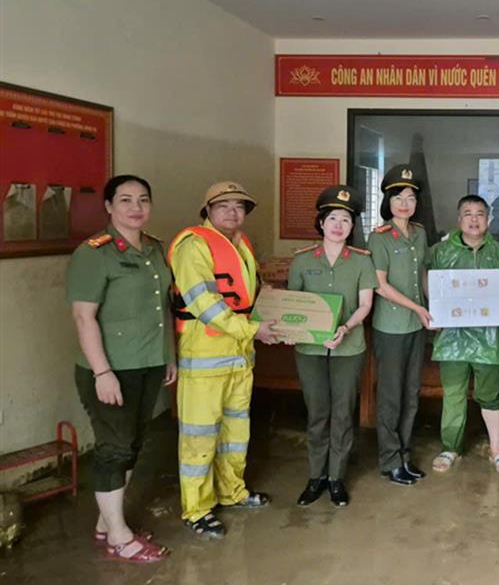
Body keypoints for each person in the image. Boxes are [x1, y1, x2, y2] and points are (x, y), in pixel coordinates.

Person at [68, 175, 175, 563]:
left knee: (131, 445)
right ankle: (118, 536)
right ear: (109, 207)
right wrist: (102, 372)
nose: (136, 208)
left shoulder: (156, 250)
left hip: (148, 363)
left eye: (143, 200)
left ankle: (105, 524)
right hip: (112, 369)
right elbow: (83, 318)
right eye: (126, 200)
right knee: (114, 450)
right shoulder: (93, 253)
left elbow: (162, 308)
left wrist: (170, 356)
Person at [168, 181, 279, 538]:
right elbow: (204, 303)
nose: (233, 212)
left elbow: (251, 292)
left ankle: (232, 492)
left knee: (235, 430)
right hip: (206, 353)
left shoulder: (241, 244)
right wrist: (252, 331)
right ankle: (197, 509)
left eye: (240, 206)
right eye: (224, 206)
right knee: (200, 435)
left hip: (238, 355)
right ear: (208, 210)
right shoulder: (193, 245)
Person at [287, 185, 378, 506]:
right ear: (321, 223)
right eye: (333, 218)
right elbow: (293, 305)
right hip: (310, 349)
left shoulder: (361, 262)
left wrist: (345, 326)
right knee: (317, 412)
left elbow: (365, 305)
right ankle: (316, 476)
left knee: (342, 412)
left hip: (349, 346)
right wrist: (297, 329)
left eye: (346, 220)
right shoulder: (301, 261)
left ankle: (337, 476)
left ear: (352, 227)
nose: (339, 225)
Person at [428, 195, 499, 474]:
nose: (474, 219)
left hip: (490, 337)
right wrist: (435, 310)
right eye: (468, 213)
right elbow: (427, 281)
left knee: (490, 394)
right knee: (453, 393)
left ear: (488, 219)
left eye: (479, 214)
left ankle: (496, 448)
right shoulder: (440, 251)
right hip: (452, 338)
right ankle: (450, 447)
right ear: (458, 219)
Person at [367, 165, 431, 486]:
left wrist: (434, 307)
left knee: (412, 392)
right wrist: (417, 307)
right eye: (398, 197)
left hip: (416, 327)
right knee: (391, 395)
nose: (404, 203)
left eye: (410, 197)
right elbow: (381, 285)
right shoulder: (378, 237)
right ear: (388, 201)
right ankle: (390, 460)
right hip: (391, 327)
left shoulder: (419, 233)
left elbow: (421, 277)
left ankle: (404, 454)